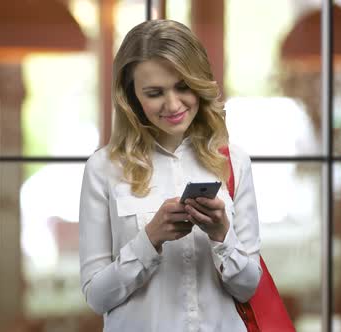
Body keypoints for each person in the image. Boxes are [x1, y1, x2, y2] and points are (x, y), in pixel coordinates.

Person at [79, 19, 261, 331]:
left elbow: (248, 287)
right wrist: (149, 240)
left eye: (183, 86)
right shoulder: (103, 169)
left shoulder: (233, 162)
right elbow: (97, 296)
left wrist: (222, 235)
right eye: (154, 93)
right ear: (131, 95)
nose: (173, 104)